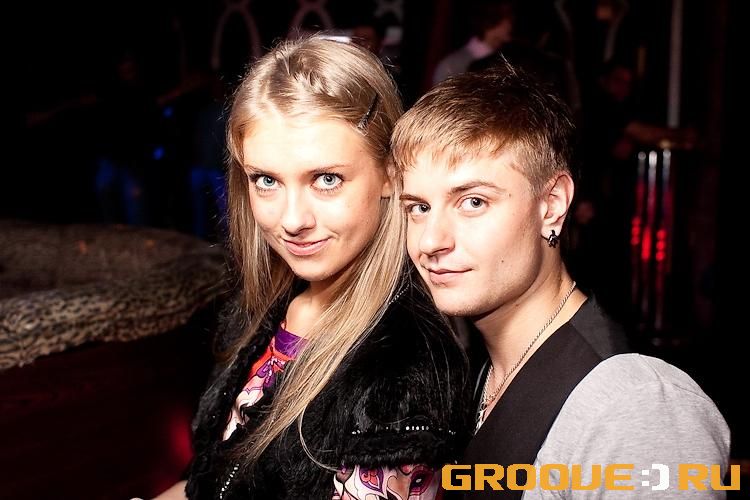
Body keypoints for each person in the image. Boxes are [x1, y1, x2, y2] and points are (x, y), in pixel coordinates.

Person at [153, 34, 471, 500]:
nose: (292, 220)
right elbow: (210, 482)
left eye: (326, 179)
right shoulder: (263, 311)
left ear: (389, 174)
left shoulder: (399, 371)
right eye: (266, 180)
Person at [391, 64, 730, 498]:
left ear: (551, 205)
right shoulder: (476, 375)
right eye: (418, 208)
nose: (431, 241)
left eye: (473, 202)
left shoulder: (637, 405)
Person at [432, 0, 514, 85]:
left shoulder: (507, 61)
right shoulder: (452, 65)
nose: (510, 26)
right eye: (508, 20)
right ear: (491, 22)